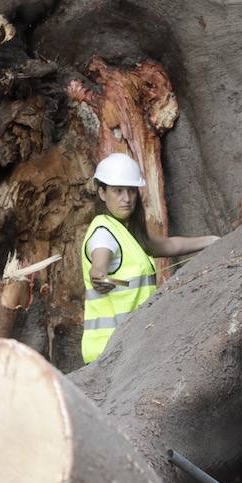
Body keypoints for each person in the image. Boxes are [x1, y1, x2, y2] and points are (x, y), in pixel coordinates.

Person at [80, 153, 219, 364]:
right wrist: (98, 275)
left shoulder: (126, 232)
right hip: (110, 352)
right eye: (118, 191)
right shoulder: (103, 234)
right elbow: (99, 263)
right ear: (101, 192)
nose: (126, 199)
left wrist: (213, 241)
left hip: (131, 345)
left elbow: (169, 245)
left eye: (131, 191)